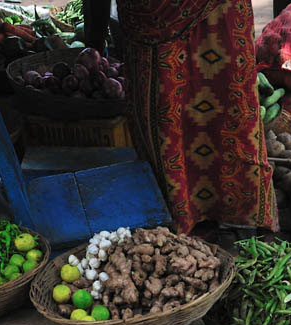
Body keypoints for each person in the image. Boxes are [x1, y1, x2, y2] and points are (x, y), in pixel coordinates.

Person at [89, 0, 276, 232]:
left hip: (209, 16)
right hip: (162, 20)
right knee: (201, 100)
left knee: (216, 98)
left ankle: (191, 214)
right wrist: (94, 44)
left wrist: (94, 42)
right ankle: (176, 218)